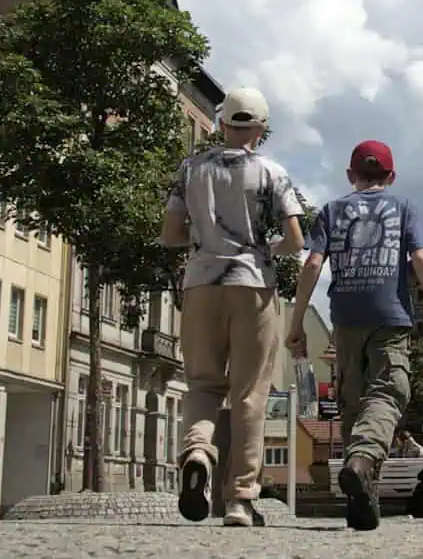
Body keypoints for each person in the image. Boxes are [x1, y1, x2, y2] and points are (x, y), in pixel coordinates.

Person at [286, 140, 423, 533]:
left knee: (353, 402)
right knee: (389, 393)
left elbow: (311, 263)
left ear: (350, 175)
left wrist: (295, 324)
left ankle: (362, 497)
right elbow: (422, 258)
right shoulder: (405, 208)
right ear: (391, 176)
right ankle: (361, 462)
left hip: (345, 316)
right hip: (389, 315)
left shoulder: (332, 210)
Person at [160, 86, 306, 528]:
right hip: (253, 286)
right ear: (260, 129)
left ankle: (199, 451)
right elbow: (295, 240)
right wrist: (262, 248)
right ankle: (240, 500)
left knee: (203, 385)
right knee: (249, 394)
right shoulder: (272, 173)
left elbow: (170, 234)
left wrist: (206, 243)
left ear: (222, 124)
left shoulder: (190, 169)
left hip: (201, 284)